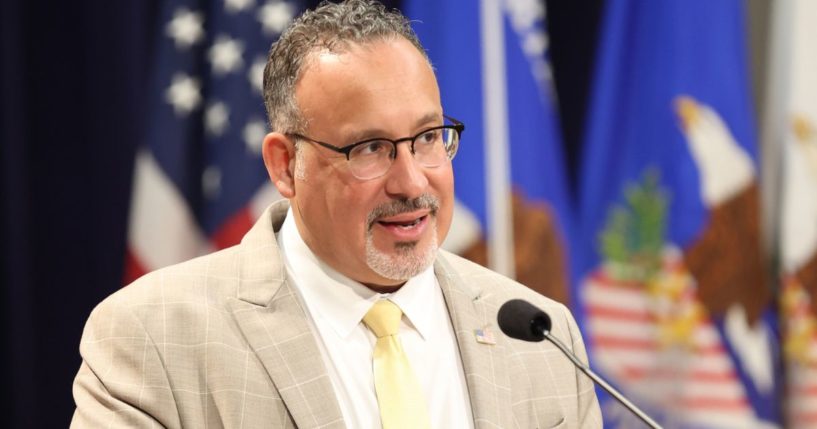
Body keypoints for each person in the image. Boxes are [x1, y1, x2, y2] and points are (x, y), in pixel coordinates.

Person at [71, 1, 601, 427]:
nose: (412, 181)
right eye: (370, 148)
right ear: (285, 165)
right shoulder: (153, 336)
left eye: (428, 138)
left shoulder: (542, 337)